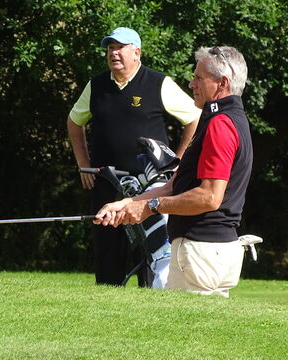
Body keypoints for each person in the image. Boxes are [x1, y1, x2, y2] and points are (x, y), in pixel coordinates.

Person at [93, 46, 253, 297]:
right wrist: (128, 203)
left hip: (202, 251)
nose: (191, 84)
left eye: (199, 78)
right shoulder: (222, 119)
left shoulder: (221, 125)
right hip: (209, 252)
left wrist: (151, 207)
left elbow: (209, 197)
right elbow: (173, 185)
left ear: (222, 83)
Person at [67, 27, 200, 286]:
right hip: (106, 181)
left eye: (120, 48)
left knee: (150, 252)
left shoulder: (158, 83)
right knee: (107, 252)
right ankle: (107, 300)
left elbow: (194, 118)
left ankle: (150, 300)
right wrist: (83, 164)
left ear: (136, 52)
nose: (113, 53)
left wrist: (179, 163)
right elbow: (74, 122)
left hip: (149, 185)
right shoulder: (96, 85)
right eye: (110, 48)